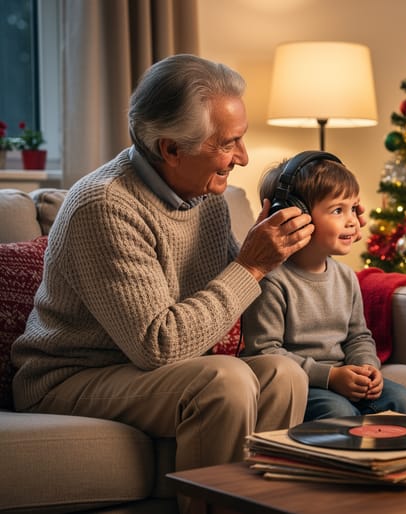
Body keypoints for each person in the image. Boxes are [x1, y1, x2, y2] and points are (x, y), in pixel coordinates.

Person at [10, 55, 360, 482]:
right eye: (229, 143)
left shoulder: (205, 196)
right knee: (224, 381)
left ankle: (265, 504)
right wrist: (250, 264)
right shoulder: (104, 206)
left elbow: (232, 294)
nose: (244, 158)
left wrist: (282, 253)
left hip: (150, 371)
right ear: (171, 149)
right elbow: (158, 346)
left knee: (283, 374)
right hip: (71, 377)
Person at [242, 152, 406, 420]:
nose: (352, 221)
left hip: (342, 374)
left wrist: (366, 368)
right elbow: (266, 353)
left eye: (353, 209)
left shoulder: (346, 277)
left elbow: (358, 336)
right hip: (303, 383)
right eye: (337, 210)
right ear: (292, 216)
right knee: (337, 411)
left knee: (400, 398)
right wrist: (331, 377)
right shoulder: (272, 280)